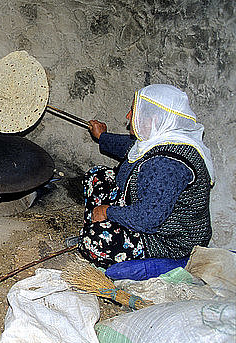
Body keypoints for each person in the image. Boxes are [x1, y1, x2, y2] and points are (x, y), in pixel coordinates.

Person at [77, 84, 214, 268]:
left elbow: (147, 219)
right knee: (97, 176)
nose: (128, 116)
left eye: (133, 111)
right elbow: (129, 146)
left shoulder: (168, 165)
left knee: (94, 241)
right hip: (149, 213)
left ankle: (101, 230)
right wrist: (103, 136)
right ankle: (98, 223)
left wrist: (107, 211)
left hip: (168, 240)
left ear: (154, 119)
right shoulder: (163, 138)